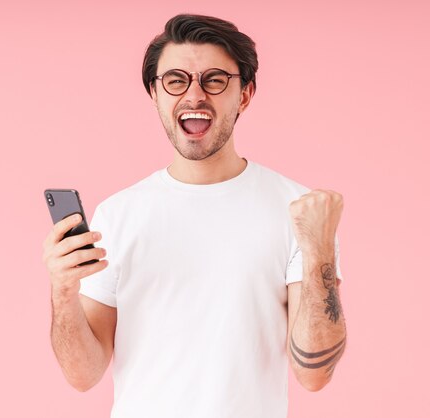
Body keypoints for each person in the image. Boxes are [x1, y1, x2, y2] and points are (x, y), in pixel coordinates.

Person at [42, 13, 347, 418]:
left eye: (215, 80)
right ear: (155, 94)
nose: (194, 95)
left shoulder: (299, 212)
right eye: (175, 80)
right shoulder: (117, 215)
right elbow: (83, 375)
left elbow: (314, 374)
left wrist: (320, 251)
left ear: (245, 94)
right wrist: (63, 295)